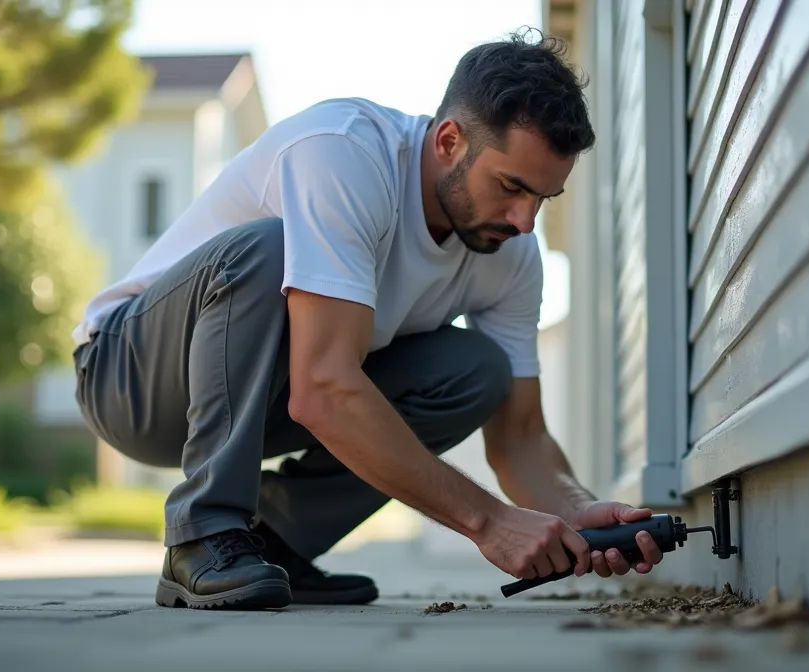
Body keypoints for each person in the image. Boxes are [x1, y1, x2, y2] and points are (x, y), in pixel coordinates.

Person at [70, 28, 666, 611]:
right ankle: (203, 534)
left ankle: (269, 544)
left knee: (475, 371)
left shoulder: (511, 255)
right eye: (511, 186)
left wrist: (576, 509)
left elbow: (521, 437)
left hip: (268, 392)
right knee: (269, 251)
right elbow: (324, 391)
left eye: (542, 198)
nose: (524, 220)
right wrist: (488, 523)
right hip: (131, 375)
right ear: (449, 141)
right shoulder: (345, 153)